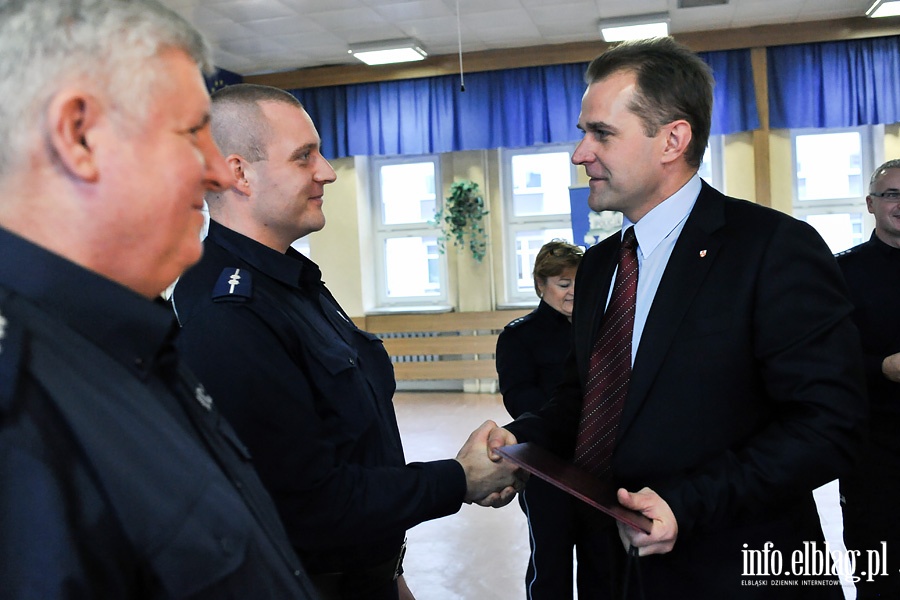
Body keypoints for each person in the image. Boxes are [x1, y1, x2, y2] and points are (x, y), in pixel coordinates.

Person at [486, 37, 866, 598]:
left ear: (673, 139)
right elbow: (584, 398)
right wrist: (516, 442)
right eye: (582, 132)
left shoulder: (771, 248)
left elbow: (827, 424)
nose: (579, 153)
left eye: (601, 133)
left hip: (733, 570)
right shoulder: (597, 267)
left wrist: (685, 503)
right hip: (611, 567)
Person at [0, 1, 319, 598]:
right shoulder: (20, 414)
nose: (220, 173)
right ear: (80, 136)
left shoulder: (126, 345)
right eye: (191, 131)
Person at [171, 83, 521, 600]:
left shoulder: (291, 282)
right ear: (239, 173)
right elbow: (308, 502)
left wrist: (388, 570)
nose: (328, 171)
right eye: (304, 156)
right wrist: (458, 479)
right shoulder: (230, 312)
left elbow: (353, 444)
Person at [496, 240, 584, 599]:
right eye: (563, 284)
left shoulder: (597, 327)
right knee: (551, 557)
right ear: (540, 284)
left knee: (603, 555)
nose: (573, 292)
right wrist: (562, 421)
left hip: (600, 457)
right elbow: (519, 397)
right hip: (548, 461)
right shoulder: (520, 335)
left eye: (580, 283)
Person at [836, 159, 900, 599]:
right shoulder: (841, 273)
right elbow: (828, 359)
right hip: (875, 445)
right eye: (892, 194)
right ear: (871, 205)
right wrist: (882, 366)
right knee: (879, 568)